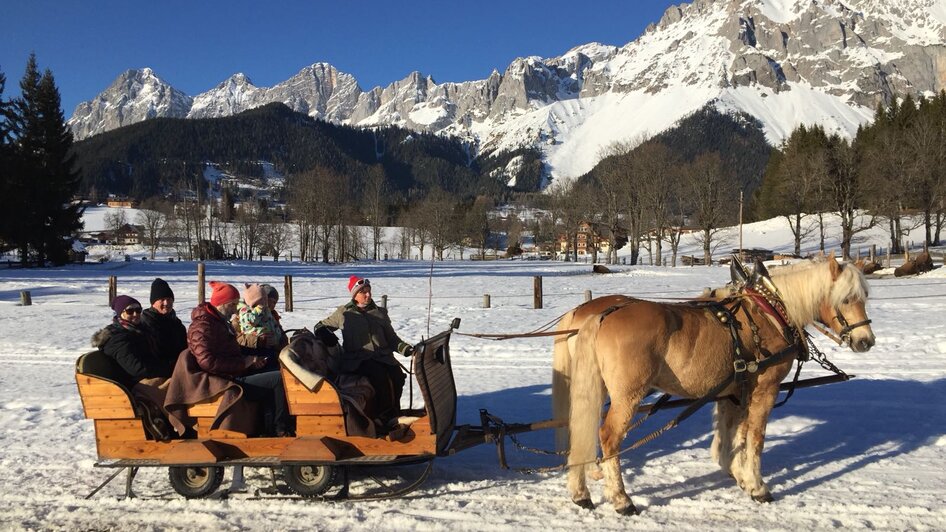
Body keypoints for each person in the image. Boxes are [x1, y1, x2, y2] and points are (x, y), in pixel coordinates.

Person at [182, 281, 292, 436]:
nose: (236, 309)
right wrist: (244, 363)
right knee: (278, 379)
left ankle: (268, 427)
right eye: (233, 304)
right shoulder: (203, 327)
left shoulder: (218, 322)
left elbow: (230, 351)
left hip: (233, 373)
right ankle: (279, 429)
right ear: (222, 303)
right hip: (222, 382)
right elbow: (207, 362)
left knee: (275, 367)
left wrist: (252, 361)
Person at [314, 276, 414, 424]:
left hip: (383, 357)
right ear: (355, 295)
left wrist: (407, 349)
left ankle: (394, 412)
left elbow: (392, 339)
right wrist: (324, 334)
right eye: (363, 292)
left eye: (369, 291)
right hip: (357, 361)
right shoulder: (344, 313)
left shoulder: (380, 313)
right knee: (378, 376)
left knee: (397, 375)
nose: (367, 295)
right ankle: (382, 417)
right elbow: (319, 326)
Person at [91, 294, 173, 440]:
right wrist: (170, 368)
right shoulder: (117, 338)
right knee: (177, 387)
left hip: (146, 377)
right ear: (120, 313)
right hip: (133, 384)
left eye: (138, 310)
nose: (135, 314)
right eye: (130, 311)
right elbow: (137, 369)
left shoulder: (141, 331)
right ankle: (183, 429)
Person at [140, 278, 187, 370]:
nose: (166, 303)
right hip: (158, 370)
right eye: (162, 299)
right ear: (153, 302)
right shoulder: (146, 323)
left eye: (169, 299)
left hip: (179, 367)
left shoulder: (177, 323)